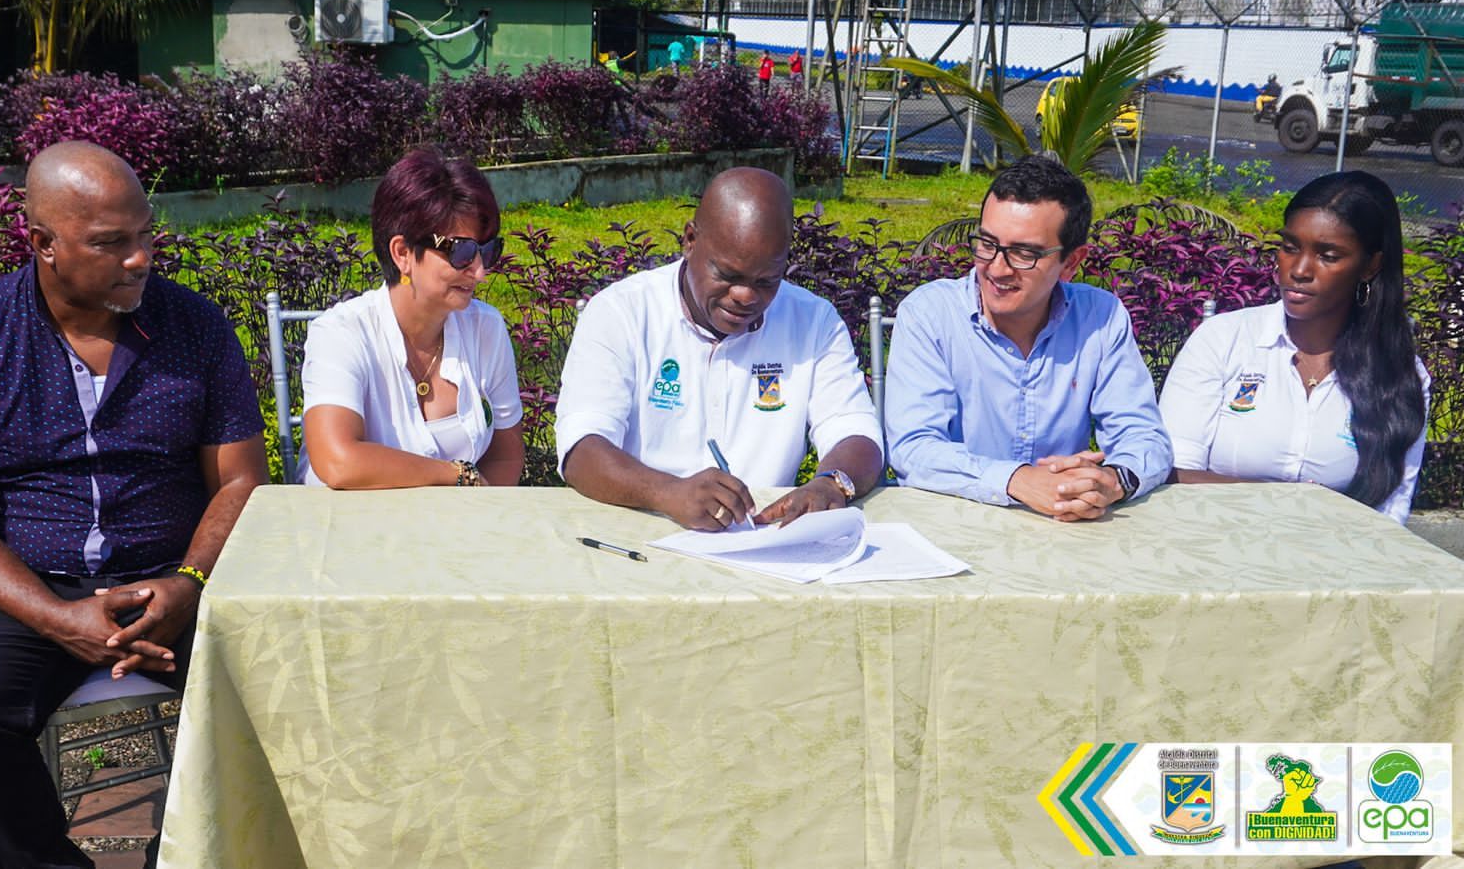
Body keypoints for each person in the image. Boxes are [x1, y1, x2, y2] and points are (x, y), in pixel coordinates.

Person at [0, 140, 268, 868]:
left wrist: (189, 582)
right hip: (24, 586)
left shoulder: (195, 327)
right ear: (44, 244)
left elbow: (239, 481)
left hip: (176, 577)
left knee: (284, 688)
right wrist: (54, 616)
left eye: (145, 234)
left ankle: (182, 859)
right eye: (110, 242)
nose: (140, 258)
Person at [556, 167, 882, 531]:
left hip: (767, 540)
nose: (745, 295)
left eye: (766, 281)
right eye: (728, 275)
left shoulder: (813, 321)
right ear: (690, 240)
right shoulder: (621, 312)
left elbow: (856, 431)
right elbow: (582, 450)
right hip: (639, 532)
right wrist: (667, 493)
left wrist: (832, 482)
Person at [884, 154, 1172, 520]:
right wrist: (1018, 480)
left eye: (1023, 254)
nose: (997, 268)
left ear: (1071, 263)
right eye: (987, 244)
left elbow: (1144, 436)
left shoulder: (1101, 318)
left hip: (1064, 524)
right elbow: (913, 449)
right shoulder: (930, 314)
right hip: (951, 523)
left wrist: (1111, 480)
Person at [1158, 170, 1428, 523]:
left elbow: (1390, 513)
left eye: (1328, 255)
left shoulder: (1400, 375)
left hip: (1338, 554)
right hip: (1211, 541)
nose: (1299, 270)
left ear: (1370, 266)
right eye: (1289, 247)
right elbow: (1173, 475)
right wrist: (1290, 501)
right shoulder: (1223, 340)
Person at [300, 148, 524, 488]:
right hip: (347, 520)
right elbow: (338, 461)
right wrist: (458, 475)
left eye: (487, 251)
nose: (480, 272)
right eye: (462, 252)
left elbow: (505, 457)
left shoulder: (485, 328)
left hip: (460, 520)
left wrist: (479, 512)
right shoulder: (340, 334)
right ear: (403, 253)